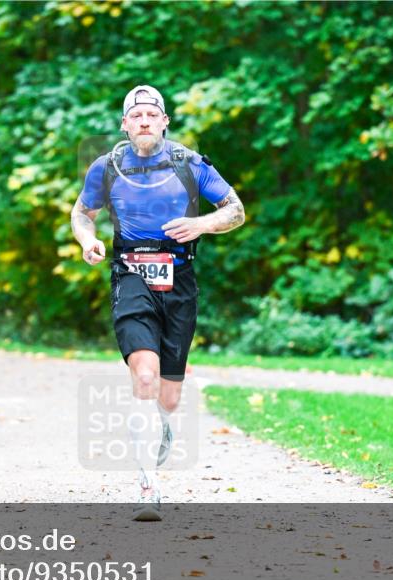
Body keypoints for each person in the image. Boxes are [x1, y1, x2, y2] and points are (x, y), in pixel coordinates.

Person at [71, 85, 245, 520]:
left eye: (153, 114)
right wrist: (88, 240)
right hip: (130, 274)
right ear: (125, 124)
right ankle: (147, 485)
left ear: (165, 121)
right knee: (143, 378)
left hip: (179, 279)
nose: (145, 121)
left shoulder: (189, 164)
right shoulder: (106, 168)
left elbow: (235, 209)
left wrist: (201, 223)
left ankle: (162, 426)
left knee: (168, 398)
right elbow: (81, 213)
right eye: (137, 115)